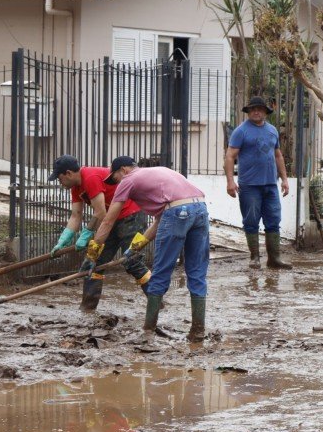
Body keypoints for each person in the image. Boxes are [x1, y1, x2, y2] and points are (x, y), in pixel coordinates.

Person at [87, 157, 209, 342]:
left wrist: (93, 252)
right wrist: (134, 247)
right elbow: (161, 220)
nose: (117, 183)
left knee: (160, 271)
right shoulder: (160, 172)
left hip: (177, 212)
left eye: (116, 178)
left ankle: (148, 332)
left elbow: (108, 220)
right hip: (200, 209)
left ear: (124, 170)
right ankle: (198, 331)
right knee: (197, 272)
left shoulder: (128, 180)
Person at [48, 155, 151, 311]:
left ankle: (158, 301)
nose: (60, 183)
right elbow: (76, 216)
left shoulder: (90, 177)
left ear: (68, 173)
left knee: (132, 261)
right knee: (93, 262)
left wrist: (88, 233)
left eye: (59, 178)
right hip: (111, 220)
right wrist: (63, 240)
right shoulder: (76, 187)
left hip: (131, 215)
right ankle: (87, 309)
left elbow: (100, 212)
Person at [225, 96, 293, 270]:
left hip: (270, 184)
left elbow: (278, 155)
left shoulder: (272, 131)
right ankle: (255, 258)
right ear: (248, 112)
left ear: (265, 112)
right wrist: (230, 181)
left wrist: (284, 179)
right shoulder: (241, 131)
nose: (256, 111)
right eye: (252, 109)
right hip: (249, 185)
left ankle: (274, 259)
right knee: (251, 220)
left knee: (273, 220)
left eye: (259, 109)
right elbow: (230, 156)